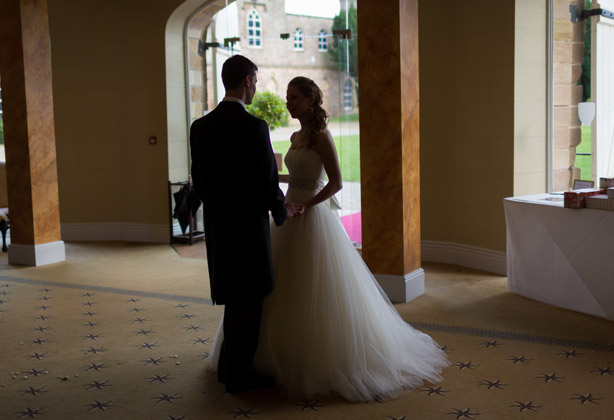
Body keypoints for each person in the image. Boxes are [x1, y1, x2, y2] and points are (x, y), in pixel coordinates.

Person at [210, 76, 449, 401]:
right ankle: (261, 357)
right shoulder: (295, 136)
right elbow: (290, 177)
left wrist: (304, 206)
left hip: (311, 217)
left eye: (294, 97)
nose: (289, 103)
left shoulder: (322, 135)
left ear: (311, 99)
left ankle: (312, 360)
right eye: (287, 97)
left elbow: (335, 182)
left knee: (312, 287)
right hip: (286, 214)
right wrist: (272, 186)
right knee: (276, 286)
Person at [190, 55, 300, 393]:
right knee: (250, 302)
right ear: (247, 80)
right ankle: (240, 376)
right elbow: (267, 183)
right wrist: (283, 212)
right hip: (248, 230)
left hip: (220, 227)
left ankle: (228, 366)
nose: (255, 86)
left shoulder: (200, 127)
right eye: (255, 80)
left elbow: (201, 180)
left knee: (233, 298)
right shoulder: (255, 127)